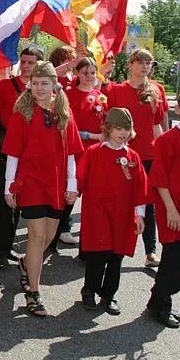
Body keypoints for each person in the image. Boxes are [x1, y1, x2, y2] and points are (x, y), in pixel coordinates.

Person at [3, 61, 82, 317]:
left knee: (49, 238)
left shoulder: (64, 115)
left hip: (56, 183)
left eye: (44, 83)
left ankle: (26, 263)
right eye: (35, 83)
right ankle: (34, 293)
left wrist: (72, 185)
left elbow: (71, 154)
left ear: (53, 86)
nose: (39, 88)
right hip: (30, 183)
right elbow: (13, 153)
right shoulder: (22, 113)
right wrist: (8, 187)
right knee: (36, 237)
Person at [77, 108, 147, 314]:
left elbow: (140, 187)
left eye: (126, 128)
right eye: (118, 128)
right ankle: (89, 290)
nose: (122, 133)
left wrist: (139, 214)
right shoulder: (94, 152)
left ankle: (109, 295)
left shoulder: (132, 156)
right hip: (98, 211)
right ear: (108, 129)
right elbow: (80, 177)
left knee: (117, 256)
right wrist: (72, 193)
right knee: (99, 253)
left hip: (123, 214)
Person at [102, 48, 165, 267]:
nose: (145, 66)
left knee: (148, 202)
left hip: (148, 155)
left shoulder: (157, 90)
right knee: (118, 200)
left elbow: (158, 124)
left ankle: (151, 251)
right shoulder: (117, 90)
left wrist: (165, 151)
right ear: (130, 64)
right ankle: (108, 245)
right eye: (140, 61)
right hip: (121, 153)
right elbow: (106, 121)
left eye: (149, 62)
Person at [0, 46, 45, 269]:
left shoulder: (43, 89)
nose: (26, 65)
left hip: (32, 156)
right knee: (4, 203)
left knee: (20, 203)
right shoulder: (4, 86)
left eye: (31, 62)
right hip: (6, 154)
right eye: (24, 61)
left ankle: (8, 244)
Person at [146, 89, 180, 328]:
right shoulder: (166, 140)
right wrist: (171, 209)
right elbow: (160, 179)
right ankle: (162, 305)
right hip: (173, 210)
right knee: (175, 260)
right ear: (178, 109)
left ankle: (157, 300)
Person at [59, 57, 107, 249]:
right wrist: (93, 136)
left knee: (92, 193)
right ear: (77, 74)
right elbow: (66, 127)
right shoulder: (69, 95)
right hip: (75, 151)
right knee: (70, 190)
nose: (89, 76)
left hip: (95, 152)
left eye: (93, 73)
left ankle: (88, 234)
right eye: (85, 73)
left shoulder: (99, 95)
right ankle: (61, 227)